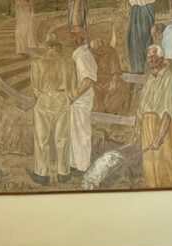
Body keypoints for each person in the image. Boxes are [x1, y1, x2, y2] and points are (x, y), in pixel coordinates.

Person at [29, 34, 77, 186]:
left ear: (47, 46)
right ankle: (63, 173)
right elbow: (74, 87)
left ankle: (42, 174)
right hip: (62, 99)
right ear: (59, 47)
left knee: (41, 139)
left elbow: (35, 88)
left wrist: (43, 97)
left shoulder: (37, 62)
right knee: (62, 138)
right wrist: (68, 98)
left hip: (44, 99)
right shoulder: (69, 62)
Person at [137, 45, 172, 188]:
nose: (150, 60)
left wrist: (159, 138)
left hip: (163, 127)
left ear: (161, 58)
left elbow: (168, 112)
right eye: (148, 57)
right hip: (147, 128)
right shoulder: (149, 80)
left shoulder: (169, 79)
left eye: (153, 57)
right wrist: (137, 129)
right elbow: (141, 108)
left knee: (165, 163)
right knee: (149, 164)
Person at [69, 27, 97, 174]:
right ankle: (74, 164)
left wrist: (74, 96)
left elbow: (88, 80)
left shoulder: (82, 56)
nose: (72, 40)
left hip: (81, 100)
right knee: (74, 132)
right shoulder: (81, 54)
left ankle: (82, 167)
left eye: (74, 37)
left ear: (81, 39)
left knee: (81, 133)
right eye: (71, 37)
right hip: (78, 100)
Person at [90, 39, 131, 115]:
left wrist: (114, 81)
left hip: (108, 80)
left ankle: (109, 110)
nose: (99, 50)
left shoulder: (110, 51)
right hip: (95, 81)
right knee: (92, 89)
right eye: (96, 49)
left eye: (100, 47)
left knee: (120, 86)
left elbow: (115, 71)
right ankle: (99, 110)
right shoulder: (90, 52)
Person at [127, 0, 156, 73]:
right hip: (137, 9)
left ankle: (150, 70)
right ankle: (139, 71)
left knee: (147, 39)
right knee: (135, 42)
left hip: (146, 9)